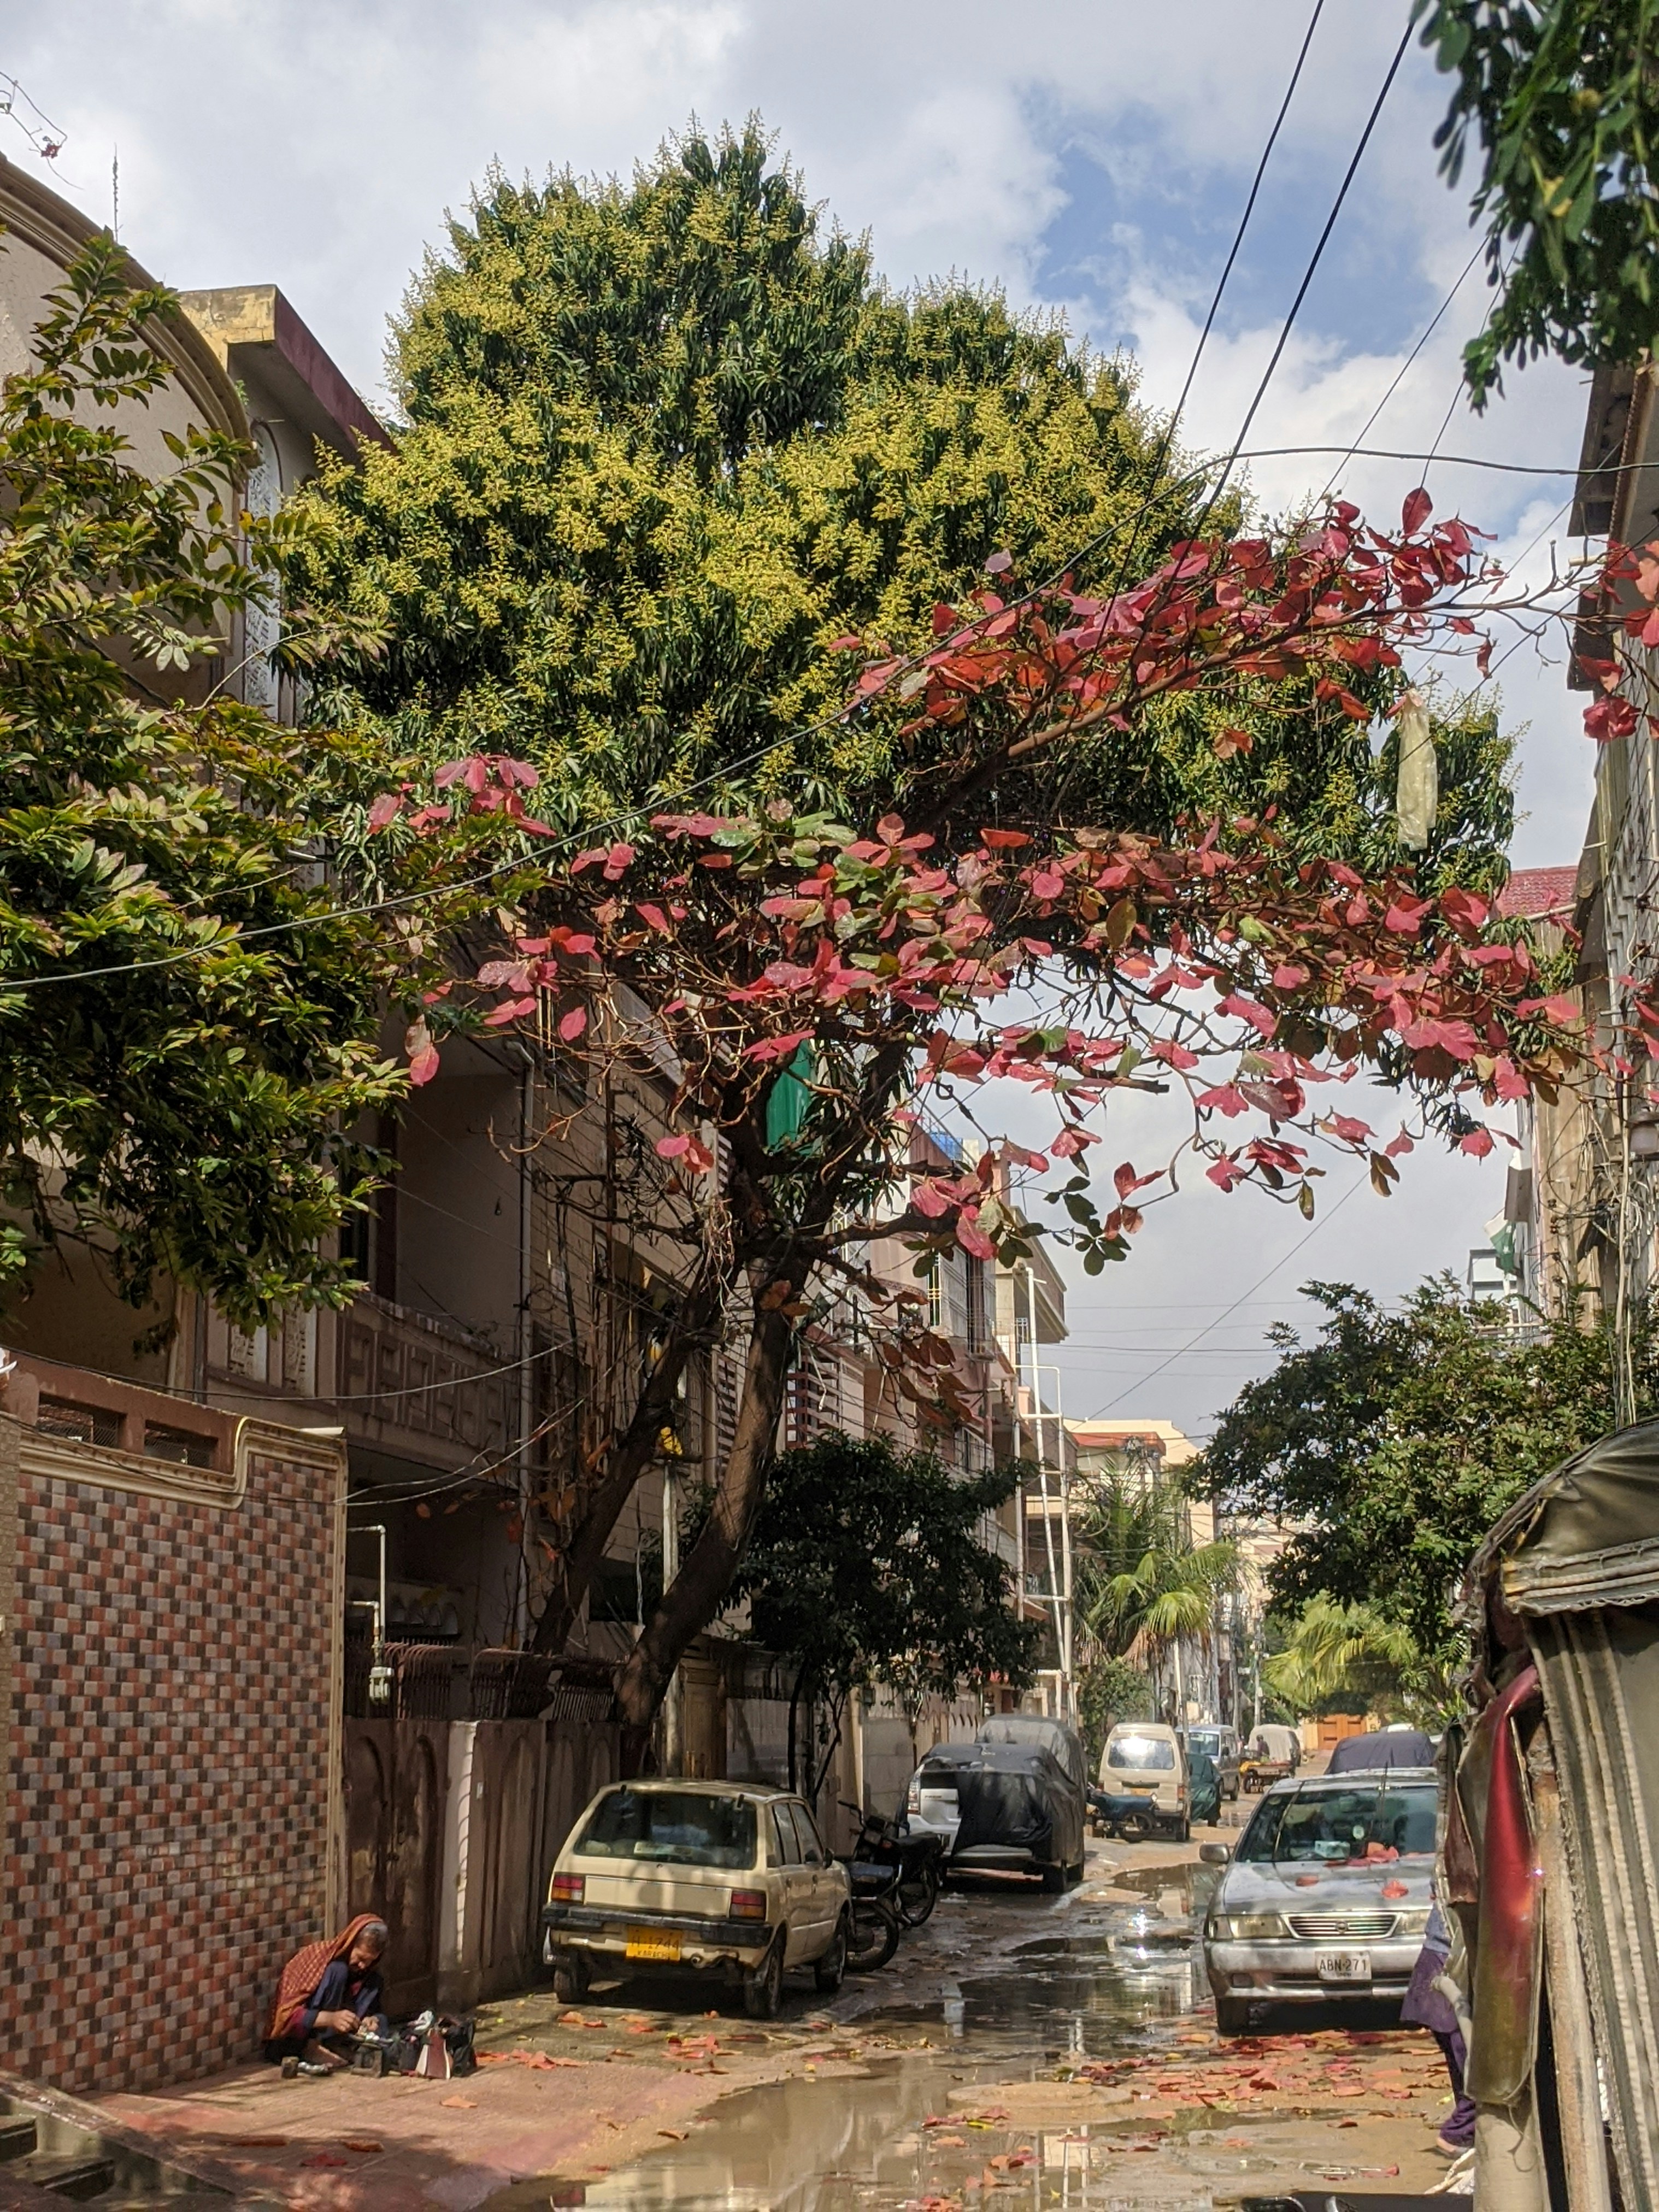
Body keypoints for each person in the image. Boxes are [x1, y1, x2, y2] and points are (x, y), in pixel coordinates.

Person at [265, 1915, 389, 2072]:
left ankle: (335, 2046)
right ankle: (312, 2046)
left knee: (381, 2019)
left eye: (370, 1961)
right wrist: (331, 2018)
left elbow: (373, 2010)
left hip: (336, 2039)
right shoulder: (318, 1959)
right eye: (360, 1958)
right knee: (339, 1971)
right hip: (293, 2041)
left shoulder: (367, 1976)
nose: (363, 1966)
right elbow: (286, 2016)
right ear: (350, 1944)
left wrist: (371, 2020)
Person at [1401, 1899, 1476, 2152]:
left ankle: (1467, 2133)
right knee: (1471, 2058)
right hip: (1451, 1960)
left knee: (1462, 2059)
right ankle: (1459, 2133)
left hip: (1443, 1958)